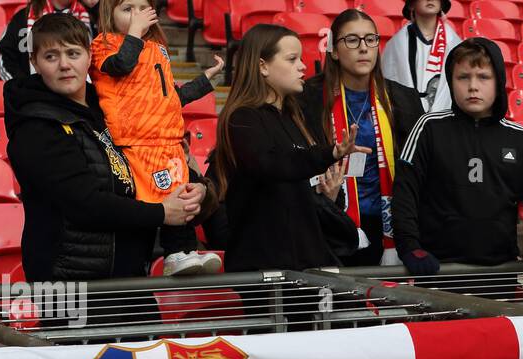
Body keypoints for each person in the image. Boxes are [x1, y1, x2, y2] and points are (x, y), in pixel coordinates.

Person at [4, 13, 202, 281]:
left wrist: (196, 188)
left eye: (73, 54)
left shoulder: (111, 109)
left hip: (129, 275)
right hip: (70, 284)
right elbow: (84, 203)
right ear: (35, 62)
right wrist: (162, 212)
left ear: (89, 56)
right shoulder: (35, 126)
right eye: (51, 56)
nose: (64, 65)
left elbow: (150, 156)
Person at [392, 38, 523, 274]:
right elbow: (405, 192)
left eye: (483, 77)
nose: (473, 86)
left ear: (498, 81)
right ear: (451, 82)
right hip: (439, 272)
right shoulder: (429, 128)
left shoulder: (521, 139)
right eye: (463, 77)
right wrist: (409, 247)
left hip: (501, 272)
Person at [215, 25, 371, 272]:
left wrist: (328, 196)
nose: (303, 66)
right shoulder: (242, 118)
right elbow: (271, 164)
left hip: (308, 266)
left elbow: (300, 185)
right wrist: (329, 153)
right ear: (262, 66)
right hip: (266, 273)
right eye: (292, 59)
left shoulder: (295, 118)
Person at [87, 0, 222, 276]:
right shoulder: (103, 44)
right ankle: (173, 255)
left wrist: (205, 80)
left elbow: (171, 97)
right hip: (138, 140)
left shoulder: (156, 49)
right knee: (165, 196)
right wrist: (135, 32)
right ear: (108, 14)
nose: (137, 15)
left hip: (166, 138)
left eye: (142, 8)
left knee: (185, 191)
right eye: (127, 9)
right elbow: (120, 65)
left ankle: (185, 252)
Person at [299, 10, 423, 267]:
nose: (364, 48)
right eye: (352, 40)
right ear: (334, 50)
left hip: (390, 222)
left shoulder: (402, 99)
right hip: (331, 219)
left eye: (370, 39)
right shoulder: (308, 98)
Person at [381, 0, 462, 113]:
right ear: (411, 5)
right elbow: (389, 85)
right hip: (407, 120)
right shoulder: (397, 44)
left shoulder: (454, 42)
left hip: (446, 121)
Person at [0, 0, 99, 81]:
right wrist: (24, 86)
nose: (64, 64)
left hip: (83, 95)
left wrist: (95, 7)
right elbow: (4, 55)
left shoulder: (93, 15)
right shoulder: (23, 17)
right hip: (35, 97)